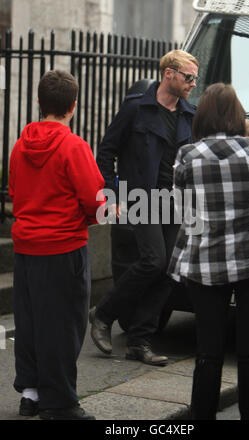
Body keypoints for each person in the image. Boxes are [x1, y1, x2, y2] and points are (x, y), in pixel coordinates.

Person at [168, 82, 249, 420]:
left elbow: (181, 211)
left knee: (208, 353)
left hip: (206, 263)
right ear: (238, 114)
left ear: (202, 116)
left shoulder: (187, 156)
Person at [90, 49, 199, 366]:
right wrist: (113, 194)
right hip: (140, 199)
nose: (193, 83)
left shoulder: (188, 116)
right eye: (188, 77)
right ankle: (104, 313)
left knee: (168, 271)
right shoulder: (136, 109)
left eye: (194, 77)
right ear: (169, 74)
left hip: (174, 203)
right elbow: (106, 151)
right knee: (154, 261)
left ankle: (140, 340)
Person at [9, 70, 105, 420]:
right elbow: (95, 202)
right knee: (64, 327)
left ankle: (31, 393)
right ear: (73, 106)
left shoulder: (20, 145)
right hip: (63, 247)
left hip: (27, 246)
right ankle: (60, 402)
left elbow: (17, 193)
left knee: (31, 323)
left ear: (38, 102)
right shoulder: (74, 146)